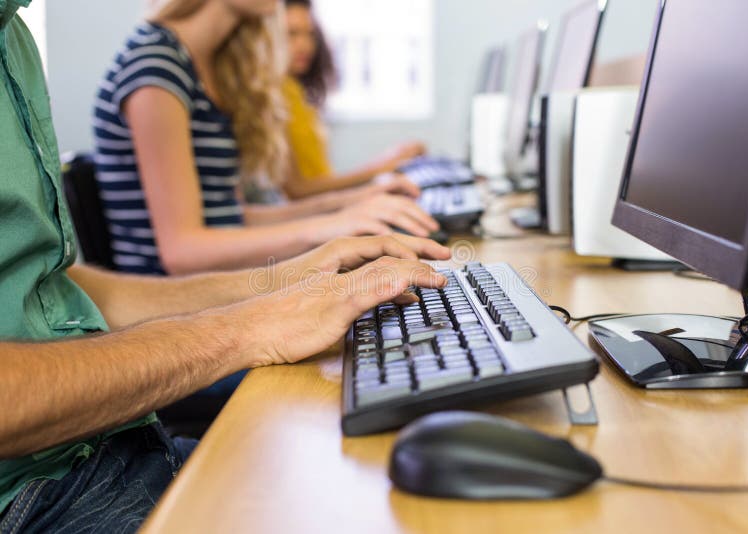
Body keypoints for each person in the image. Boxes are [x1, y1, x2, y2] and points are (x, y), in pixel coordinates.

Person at [0, 1, 451, 530]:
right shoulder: (155, 66)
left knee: (368, 422)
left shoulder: (16, 37)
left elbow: (53, 292)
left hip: (106, 444)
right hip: (49, 481)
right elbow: (182, 248)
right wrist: (258, 318)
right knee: (348, 425)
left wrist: (297, 271)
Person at [94, 0, 439, 276]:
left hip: (218, 291)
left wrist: (348, 208)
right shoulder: (156, 67)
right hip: (176, 315)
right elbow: (182, 252)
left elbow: (228, 217)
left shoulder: (206, 66)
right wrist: (328, 228)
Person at [281, 0, 428, 199]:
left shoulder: (295, 93)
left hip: (319, 209)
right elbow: (297, 190)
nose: (304, 45)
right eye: (291, 34)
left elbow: (319, 180)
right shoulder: (270, 97)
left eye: (309, 34)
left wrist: (385, 170)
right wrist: (383, 165)